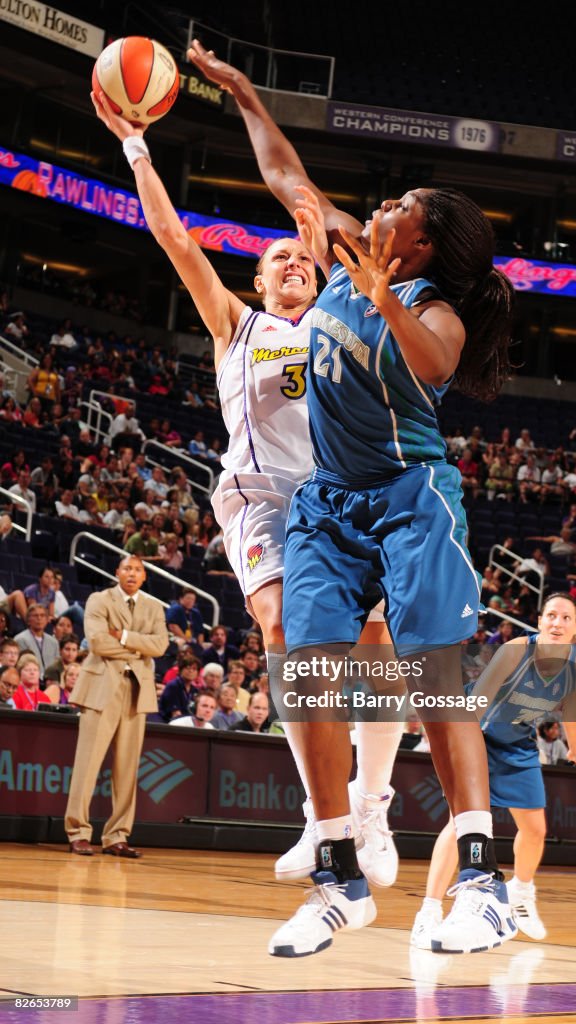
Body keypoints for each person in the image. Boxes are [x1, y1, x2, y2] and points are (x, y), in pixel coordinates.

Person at [188, 41, 516, 957]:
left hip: (411, 496)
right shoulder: (336, 252)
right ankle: (338, 875)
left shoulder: (431, 302)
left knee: (432, 677)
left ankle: (484, 881)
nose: (383, 206)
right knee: (303, 659)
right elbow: (286, 173)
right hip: (330, 503)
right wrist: (248, 95)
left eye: (401, 209)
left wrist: (384, 295)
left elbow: (434, 363)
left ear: (422, 244)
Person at [92, 85, 405, 912]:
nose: (294, 264)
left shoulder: (339, 321)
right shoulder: (239, 325)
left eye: (301, 258)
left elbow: (322, 226)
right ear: (258, 281)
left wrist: (324, 239)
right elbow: (170, 235)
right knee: (278, 628)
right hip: (263, 499)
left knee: (378, 647)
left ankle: (369, 809)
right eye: (278, 261)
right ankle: (320, 813)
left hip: (341, 497)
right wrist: (135, 146)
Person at [410, 593, 576, 949]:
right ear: (540, 622)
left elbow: (572, 711)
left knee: (536, 829)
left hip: (518, 744)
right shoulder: (515, 651)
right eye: (551, 616)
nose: (557, 623)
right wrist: (460, 747)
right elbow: (479, 699)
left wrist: (575, 751)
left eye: (565, 618)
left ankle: (521, 892)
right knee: (460, 824)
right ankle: (429, 911)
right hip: (476, 734)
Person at [64, 555, 169, 857]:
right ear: (117, 573)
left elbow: (160, 645)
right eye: (126, 568)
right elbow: (97, 642)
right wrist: (139, 648)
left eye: (137, 569)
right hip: (100, 688)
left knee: (127, 770)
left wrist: (122, 636)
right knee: (87, 766)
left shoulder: (153, 607)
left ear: (144, 576)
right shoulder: (100, 599)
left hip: (136, 692)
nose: (132, 573)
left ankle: (117, 836)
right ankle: (77, 832)